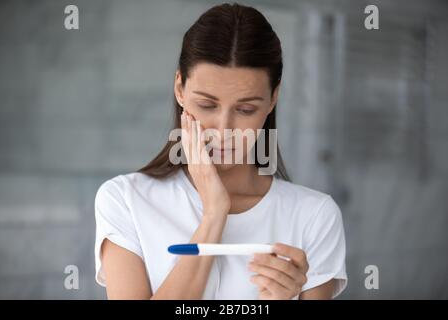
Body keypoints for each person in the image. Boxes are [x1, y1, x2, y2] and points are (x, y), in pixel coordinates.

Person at [94, 2, 347, 300]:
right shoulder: (126, 200)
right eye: (207, 105)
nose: (224, 129)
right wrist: (214, 213)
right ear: (180, 90)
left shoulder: (313, 216)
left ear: (272, 99)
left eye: (245, 109)